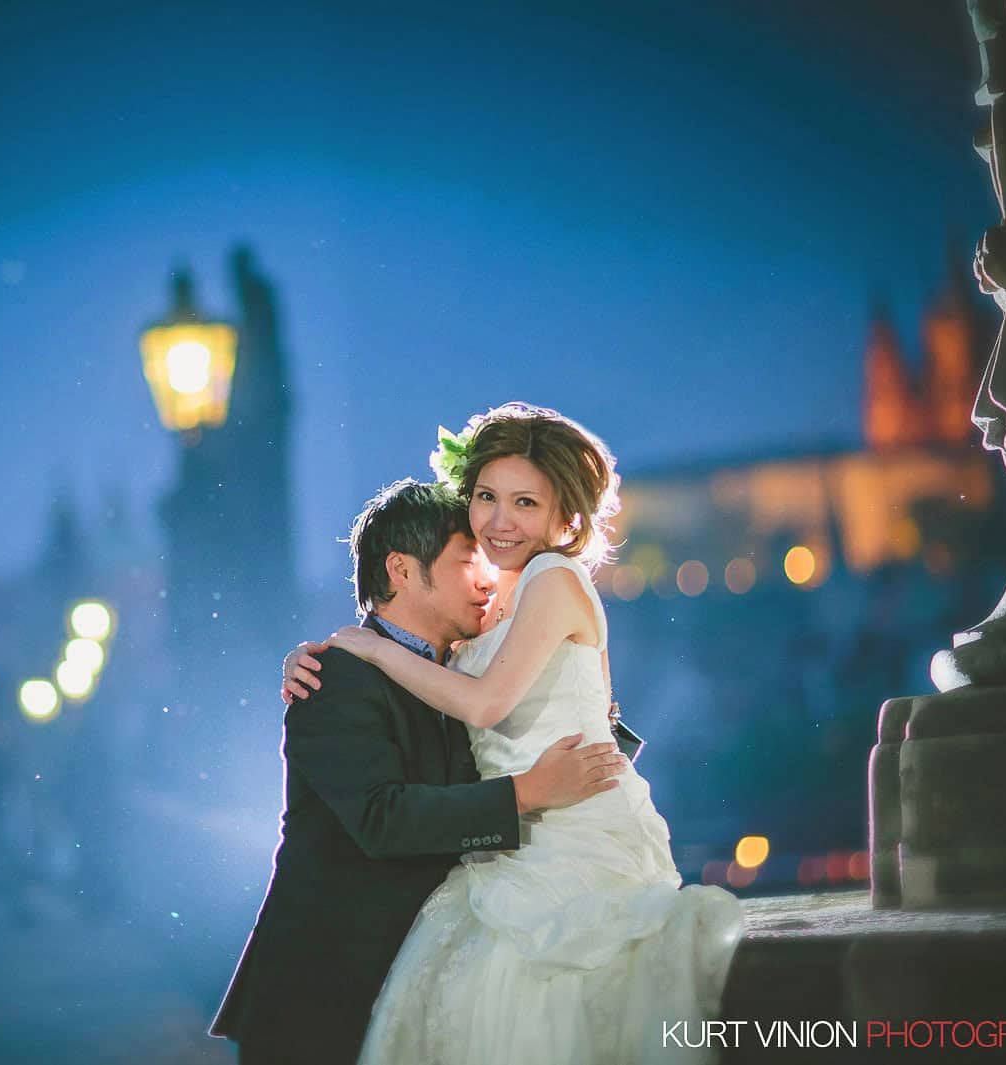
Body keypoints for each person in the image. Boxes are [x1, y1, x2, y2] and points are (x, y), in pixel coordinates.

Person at [281, 403, 742, 1064]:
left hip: (567, 837)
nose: (499, 521)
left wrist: (373, 651)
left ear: (566, 518)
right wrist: (324, 654)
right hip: (503, 851)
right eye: (486, 498)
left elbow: (489, 704)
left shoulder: (553, 578)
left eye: (524, 502)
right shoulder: (491, 600)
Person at [210, 479, 628, 1065]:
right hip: (328, 993)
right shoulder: (335, 679)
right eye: (468, 562)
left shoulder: (458, 673)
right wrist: (528, 793)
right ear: (401, 571)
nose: (487, 581)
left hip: (426, 979)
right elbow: (382, 818)